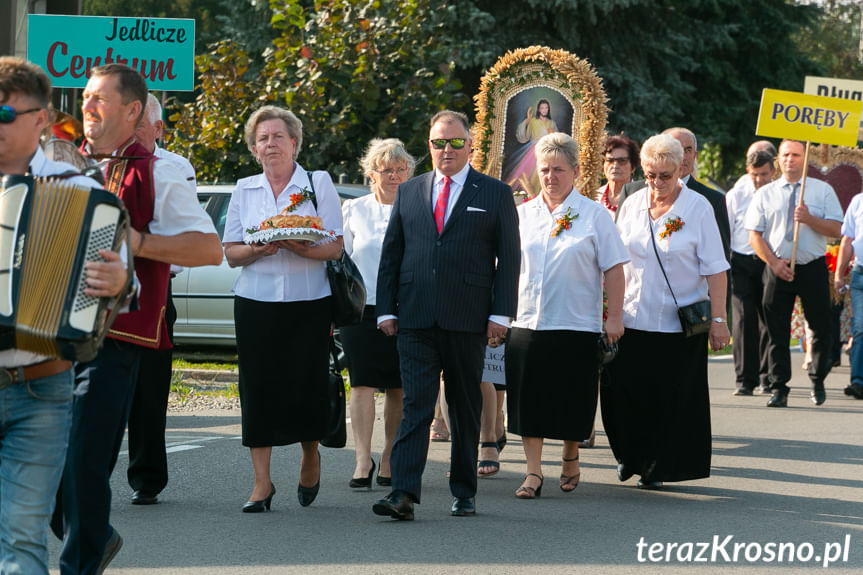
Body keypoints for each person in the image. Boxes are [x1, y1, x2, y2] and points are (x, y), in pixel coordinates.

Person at [50, 63, 222, 575]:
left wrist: (137, 241)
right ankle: (96, 534)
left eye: (100, 99)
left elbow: (209, 249)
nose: (88, 107)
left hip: (113, 336)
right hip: (48, 335)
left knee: (82, 458)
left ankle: (81, 561)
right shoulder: (62, 166)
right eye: (85, 97)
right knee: (51, 463)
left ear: (132, 110)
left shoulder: (157, 170)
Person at [0, 56, 128, 575]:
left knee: (22, 539)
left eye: (6, 114)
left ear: (41, 120)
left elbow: (126, 281)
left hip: (41, 387)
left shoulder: (80, 192)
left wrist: (119, 282)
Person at [373, 110, 520, 520]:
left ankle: (464, 489)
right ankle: (403, 492)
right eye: (439, 142)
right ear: (429, 145)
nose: (447, 150)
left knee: (463, 405)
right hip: (415, 317)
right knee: (417, 405)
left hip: (467, 317)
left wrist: (501, 315)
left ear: (471, 145)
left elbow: (509, 260)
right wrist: (386, 308)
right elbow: (392, 256)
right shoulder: (410, 191)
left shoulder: (493, 193)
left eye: (456, 142)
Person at [223, 105, 343, 513]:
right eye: (262, 138)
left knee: (306, 385)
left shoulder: (317, 182)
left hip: (309, 303)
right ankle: (261, 483)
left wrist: (299, 245)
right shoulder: (244, 189)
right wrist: (258, 250)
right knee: (257, 389)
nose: (270, 143)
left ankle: (311, 455)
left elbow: (334, 246)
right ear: (254, 149)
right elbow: (232, 253)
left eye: (277, 136)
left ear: (294, 142)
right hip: (255, 303)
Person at [601, 133, 729, 489]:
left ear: (680, 169)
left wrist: (719, 320)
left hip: (678, 325)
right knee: (624, 393)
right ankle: (630, 453)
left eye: (665, 176)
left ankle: (656, 464)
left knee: (667, 399)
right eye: (651, 175)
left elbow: (716, 269)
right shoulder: (632, 203)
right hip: (632, 317)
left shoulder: (698, 207)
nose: (657, 183)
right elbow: (615, 259)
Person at [507, 133, 628, 499]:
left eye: (558, 169)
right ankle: (532, 472)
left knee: (572, 397)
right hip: (527, 321)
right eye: (544, 169)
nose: (550, 177)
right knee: (529, 399)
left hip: (575, 322)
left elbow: (614, 269)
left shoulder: (593, 216)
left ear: (575, 171)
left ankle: (571, 455)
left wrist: (615, 318)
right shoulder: (522, 214)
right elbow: (506, 267)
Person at [125, 92, 199, 506]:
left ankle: (146, 478)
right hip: (105, 288)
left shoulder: (175, 168)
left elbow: (184, 237)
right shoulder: (101, 163)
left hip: (155, 289)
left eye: (138, 124)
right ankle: (88, 475)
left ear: (156, 128)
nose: (131, 132)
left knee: (150, 389)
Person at [744, 139, 842, 408]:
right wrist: (774, 263)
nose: (790, 159)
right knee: (776, 330)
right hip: (777, 267)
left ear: (805, 158)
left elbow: (837, 229)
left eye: (796, 155)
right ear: (779, 160)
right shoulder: (766, 193)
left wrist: (810, 219)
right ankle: (779, 387)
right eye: (786, 154)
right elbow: (754, 235)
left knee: (821, 326)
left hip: (811, 266)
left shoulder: (822, 191)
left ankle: (817, 378)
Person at [341, 138, 415, 488]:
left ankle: (388, 458)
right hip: (361, 309)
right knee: (362, 384)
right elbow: (340, 262)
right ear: (372, 174)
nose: (395, 176)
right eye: (388, 170)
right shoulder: (354, 209)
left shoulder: (417, 208)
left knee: (398, 387)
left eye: (402, 170)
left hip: (405, 309)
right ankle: (361, 460)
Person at [726, 146, 776, 396]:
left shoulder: (778, 193)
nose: (759, 180)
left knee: (768, 316)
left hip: (769, 259)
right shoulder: (737, 193)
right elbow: (727, 226)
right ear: (748, 171)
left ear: (772, 171)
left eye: (764, 174)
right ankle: (745, 379)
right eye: (755, 174)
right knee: (744, 318)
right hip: (742, 260)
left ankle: (767, 375)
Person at [834, 192, 863, 400]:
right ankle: (858, 381)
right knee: (860, 327)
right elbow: (847, 240)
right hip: (860, 273)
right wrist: (838, 274)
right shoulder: (858, 201)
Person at [504, 98, 559, 195]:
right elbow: (524, 136)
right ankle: (528, 195)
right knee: (530, 173)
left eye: (546, 108)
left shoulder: (552, 123)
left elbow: (558, 139)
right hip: (533, 150)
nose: (544, 110)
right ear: (538, 109)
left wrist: (553, 133)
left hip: (547, 151)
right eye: (542, 108)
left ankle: (543, 194)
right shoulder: (533, 121)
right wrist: (528, 120)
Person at [596, 134, 639, 217]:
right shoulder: (595, 197)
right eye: (609, 160)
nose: (615, 166)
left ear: (633, 167)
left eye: (622, 160)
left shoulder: (642, 197)